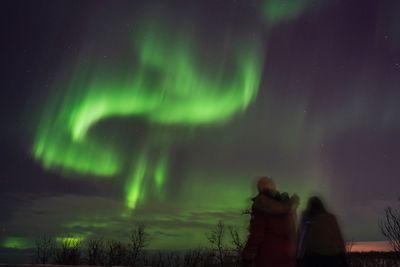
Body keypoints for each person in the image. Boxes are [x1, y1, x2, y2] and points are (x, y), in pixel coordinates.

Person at [242, 176, 300, 267]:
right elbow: (294, 232)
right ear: (274, 187)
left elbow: (256, 234)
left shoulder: (261, 205)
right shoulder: (287, 205)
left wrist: (247, 256)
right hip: (288, 257)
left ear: (260, 189)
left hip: (267, 258)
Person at [297, 196, 347, 267]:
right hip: (332, 257)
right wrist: (343, 257)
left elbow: (302, 239)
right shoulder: (331, 218)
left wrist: (299, 257)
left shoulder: (308, 218)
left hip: (313, 257)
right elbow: (339, 239)